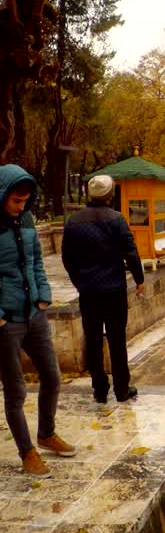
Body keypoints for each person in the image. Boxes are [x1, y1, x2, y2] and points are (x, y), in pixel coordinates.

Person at [0, 165, 75, 474]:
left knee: (52, 376)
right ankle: (27, 452)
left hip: (34, 313)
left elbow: (37, 263)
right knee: (16, 391)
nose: (21, 206)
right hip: (7, 322)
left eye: (25, 201)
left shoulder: (28, 221)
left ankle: (46, 434)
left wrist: (43, 294)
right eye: (16, 201)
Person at [61, 175, 144, 404]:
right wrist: (139, 279)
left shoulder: (74, 221)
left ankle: (99, 389)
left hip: (88, 291)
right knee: (117, 340)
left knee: (93, 340)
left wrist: (79, 281)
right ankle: (122, 388)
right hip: (114, 290)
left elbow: (67, 258)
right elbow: (130, 251)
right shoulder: (116, 219)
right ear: (110, 196)